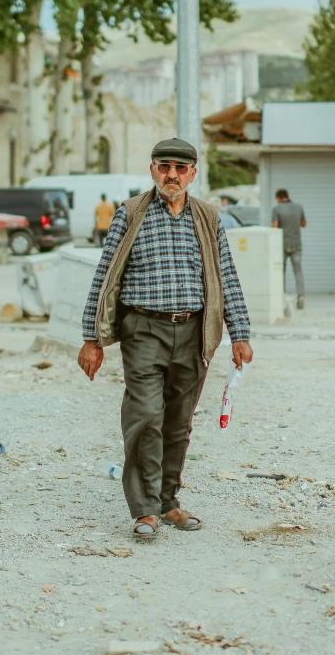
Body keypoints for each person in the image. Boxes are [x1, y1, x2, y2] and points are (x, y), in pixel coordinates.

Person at [78, 138, 253, 540]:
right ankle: (144, 510)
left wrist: (240, 333)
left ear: (193, 173)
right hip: (143, 330)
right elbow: (104, 276)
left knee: (177, 423)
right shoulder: (131, 213)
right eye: (164, 166)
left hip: (193, 332)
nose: (171, 174)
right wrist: (92, 339)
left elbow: (226, 276)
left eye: (180, 167)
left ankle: (167, 501)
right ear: (153, 169)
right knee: (144, 417)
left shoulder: (208, 217)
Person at [272, 188, 307, 309]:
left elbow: (275, 227)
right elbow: (304, 224)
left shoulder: (277, 209)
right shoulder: (299, 207)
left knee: (281, 271)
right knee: (298, 270)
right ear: (288, 196)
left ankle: (281, 296)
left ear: (278, 198)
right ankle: (301, 296)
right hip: (296, 243)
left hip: (282, 243)